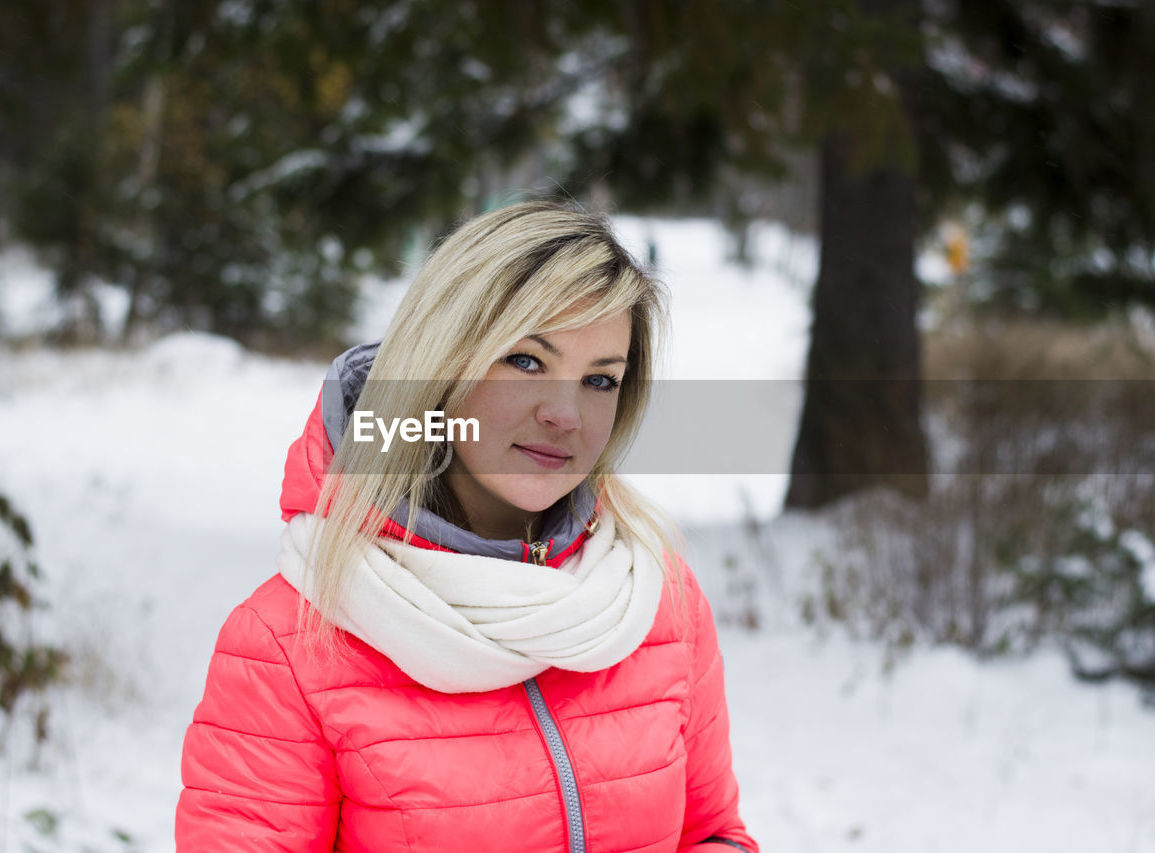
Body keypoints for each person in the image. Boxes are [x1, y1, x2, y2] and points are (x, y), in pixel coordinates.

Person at [175, 201, 758, 852]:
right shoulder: (291, 641)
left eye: (600, 379)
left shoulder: (656, 597)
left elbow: (711, 831)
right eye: (527, 361)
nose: (566, 414)